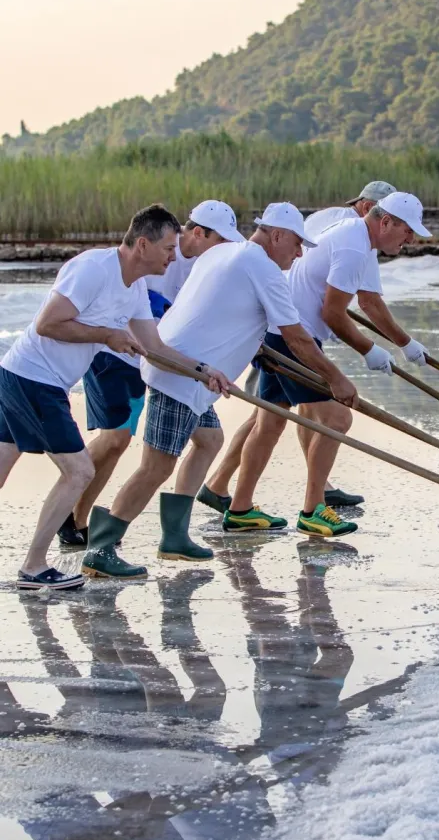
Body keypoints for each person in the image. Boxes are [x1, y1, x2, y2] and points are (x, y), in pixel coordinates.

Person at [80, 202, 358, 581]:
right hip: (181, 375)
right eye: (296, 244)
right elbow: (296, 338)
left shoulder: (226, 252)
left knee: (210, 439)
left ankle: (175, 536)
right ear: (275, 235)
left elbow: (224, 312)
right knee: (156, 466)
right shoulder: (260, 265)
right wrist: (336, 379)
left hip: (189, 373)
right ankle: (102, 546)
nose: (298, 254)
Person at [0, 204, 228, 591]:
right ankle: (34, 567)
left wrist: (203, 371)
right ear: (142, 244)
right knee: (80, 472)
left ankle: (33, 566)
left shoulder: (135, 286)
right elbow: (48, 323)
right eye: (169, 249)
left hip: (27, 377)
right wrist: (106, 335)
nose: (174, 257)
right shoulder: (94, 269)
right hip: (33, 377)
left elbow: (153, 345)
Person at [218, 192, 431, 541]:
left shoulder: (357, 240)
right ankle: (313, 511)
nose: (409, 240)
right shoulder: (352, 246)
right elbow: (331, 313)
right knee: (337, 418)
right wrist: (368, 350)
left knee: (270, 421)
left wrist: (405, 344)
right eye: (407, 231)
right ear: (385, 222)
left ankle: (239, 509)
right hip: (293, 337)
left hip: (281, 331)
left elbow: (369, 302)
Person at [58, 200, 245, 550]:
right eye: (220, 241)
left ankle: (174, 533)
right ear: (198, 233)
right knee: (117, 441)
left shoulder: (209, 264)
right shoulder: (165, 257)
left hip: (167, 364)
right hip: (117, 356)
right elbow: (146, 312)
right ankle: (76, 519)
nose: (223, 251)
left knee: (208, 439)